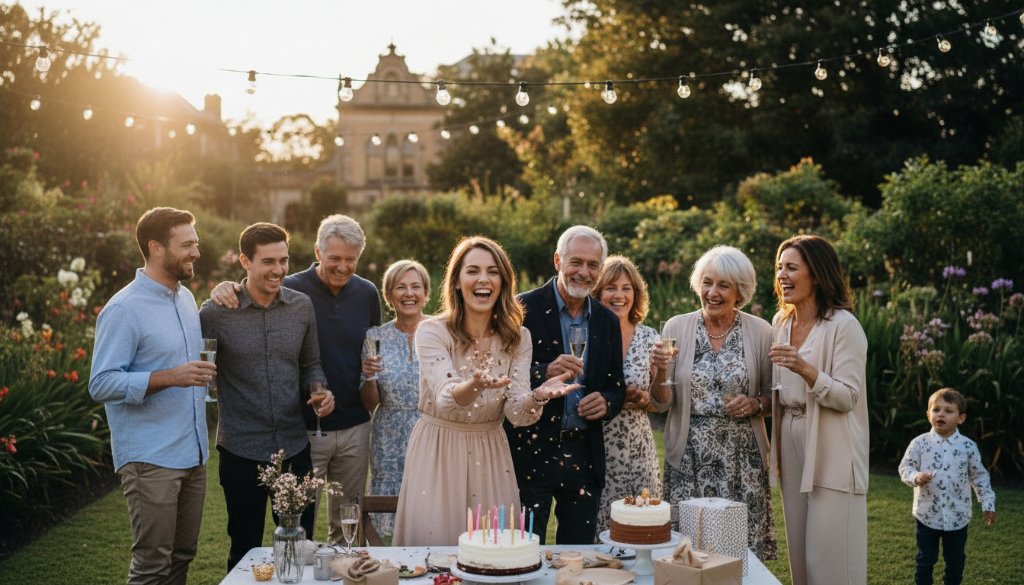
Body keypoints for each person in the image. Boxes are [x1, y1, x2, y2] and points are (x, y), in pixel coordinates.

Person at [392, 236, 577, 546]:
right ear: (457, 282)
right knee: (436, 550)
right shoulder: (432, 331)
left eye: (493, 271)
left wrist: (538, 395)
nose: (483, 279)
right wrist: (476, 383)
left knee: (492, 550)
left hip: (491, 452)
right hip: (439, 449)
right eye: (473, 270)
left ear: (503, 283)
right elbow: (447, 398)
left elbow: (517, 412)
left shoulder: (518, 337)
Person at [211, 214, 380, 544]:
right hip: (301, 432)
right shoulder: (288, 289)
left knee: (343, 527)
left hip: (354, 426)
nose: (343, 266)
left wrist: (330, 386)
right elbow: (256, 287)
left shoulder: (365, 294)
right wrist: (226, 286)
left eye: (351, 259)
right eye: (335, 258)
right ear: (318, 252)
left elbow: (351, 355)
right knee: (282, 529)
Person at [89, 207, 215, 585]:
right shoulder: (124, 308)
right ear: (156, 248)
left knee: (182, 558)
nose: (196, 252)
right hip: (151, 459)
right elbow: (101, 383)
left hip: (193, 453)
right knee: (152, 565)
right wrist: (169, 377)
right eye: (187, 244)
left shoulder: (186, 299)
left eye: (197, 243)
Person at [200, 222, 334, 571]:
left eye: (284, 260)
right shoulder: (214, 313)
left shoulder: (301, 306)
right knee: (243, 548)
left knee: (296, 549)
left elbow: (312, 364)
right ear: (245, 261)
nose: (279, 270)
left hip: (293, 447)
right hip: (240, 449)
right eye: (268, 262)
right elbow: (198, 365)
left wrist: (319, 390)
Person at [650, 245, 777, 560]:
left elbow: (775, 395)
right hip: (689, 456)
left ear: (740, 291)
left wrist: (756, 404)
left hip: (743, 461)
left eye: (723, 285)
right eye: (707, 282)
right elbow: (662, 403)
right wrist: (661, 370)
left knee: (740, 555)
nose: (713, 292)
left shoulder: (762, 332)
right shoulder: (676, 327)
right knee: (689, 552)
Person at [505, 225, 626, 545]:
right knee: (521, 549)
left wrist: (607, 402)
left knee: (579, 554)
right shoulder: (521, 310)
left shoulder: (607, 320)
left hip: (583, 452)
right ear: (558, 260)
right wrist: (543, 371)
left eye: (593, 265)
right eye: (576, 262)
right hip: (529, 450)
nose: (584, 272)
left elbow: (616, 385)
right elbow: (501, 375)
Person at [768, 234, 868, 585]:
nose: (782, 275)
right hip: (790, 440)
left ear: (818, 274)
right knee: (800, 554)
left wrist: (805, 369)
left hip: (831, 445)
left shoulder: (844, 326)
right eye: (779, 267)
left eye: (792, 267)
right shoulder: (781, 323)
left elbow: (848, 397)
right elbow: (777, 391)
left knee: (828, 556)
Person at [359, 260, 430, 539]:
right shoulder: (375, 336)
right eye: (400, 287)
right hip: (389, 435)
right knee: (389, 511)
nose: (408, 293)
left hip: (431, 430)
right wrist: (369, 378)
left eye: (415, 286)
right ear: (389, 296)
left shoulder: (443, 331)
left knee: (430, 505)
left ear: (426, 293)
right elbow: (369, 403)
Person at [591, 255, 662, 536]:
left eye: (626, 288)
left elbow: (660, 401)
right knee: (597, 533)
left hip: (638, 449)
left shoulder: (649, 337)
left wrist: (647, 399)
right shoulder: (585, 333)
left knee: (641, 529)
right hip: (596, 449)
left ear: (636, 293)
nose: (619, 295)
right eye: (610, 287)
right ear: (597, 293)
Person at [898, 388, 996, 585]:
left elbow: (979, 476)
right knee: (925, 561)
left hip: (958, 516)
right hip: (926, 516)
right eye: (936, 410)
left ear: (961, 418)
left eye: (948, 410)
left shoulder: (968, 447)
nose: (941, 414)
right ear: (928, 415)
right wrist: (916, 476)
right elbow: (905, 467)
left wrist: (988, 503)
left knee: (955, 562)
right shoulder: (919, 443)